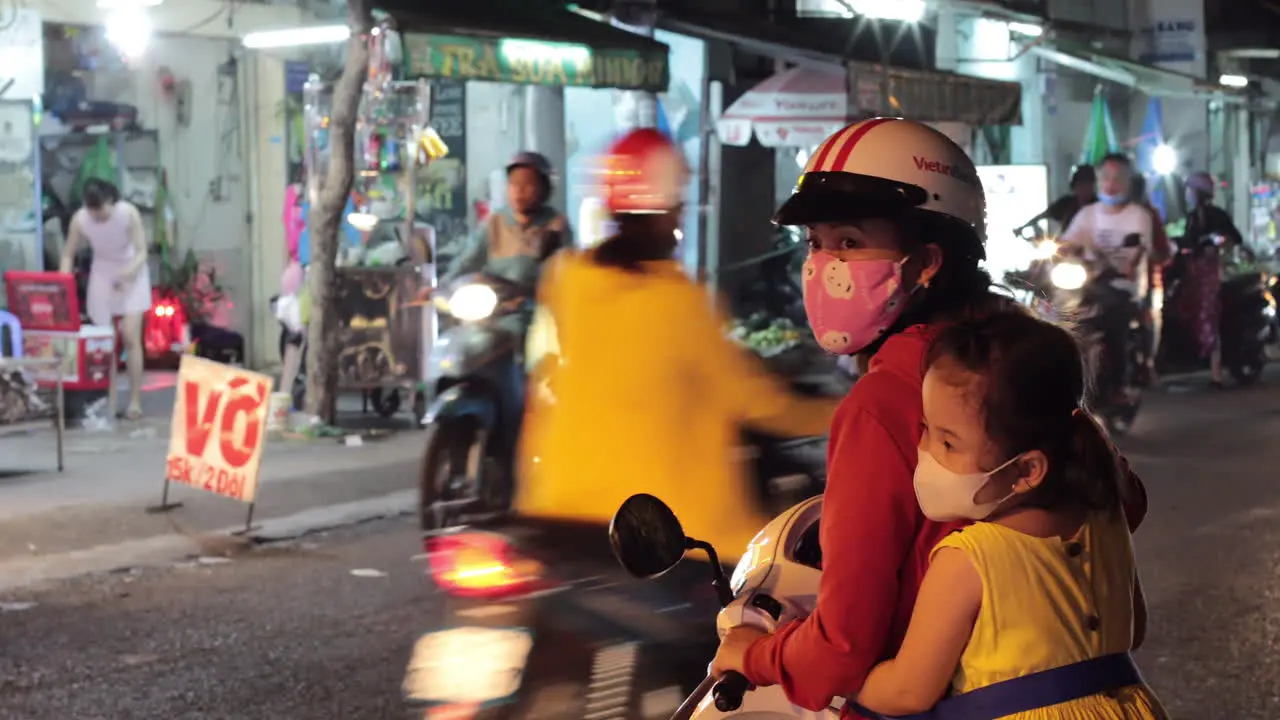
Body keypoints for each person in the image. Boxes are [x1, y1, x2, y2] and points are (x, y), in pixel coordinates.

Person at [708, 118, 1148, 715]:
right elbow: (1126, 502)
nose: (823, 264)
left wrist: (753, 654)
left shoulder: (883, 402)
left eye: (850, 241)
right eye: (816, 241)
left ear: (928, 260)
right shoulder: (1019, 357)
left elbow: (843, 648)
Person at [514, 128, 836, 557]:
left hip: (556, 507)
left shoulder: (565, 279)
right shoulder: (675, 301)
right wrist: (842, 413)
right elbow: (756, 403)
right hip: (668, 536)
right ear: (664, 208)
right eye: (678, 205)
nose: (680, 215)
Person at [854, 312, 1168, 719]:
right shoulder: (1106, 516)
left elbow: (909, 692)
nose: (926, 448)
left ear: (1025, 470)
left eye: (948, 443)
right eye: (927, 428)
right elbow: (1133, 629)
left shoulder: (968, 559)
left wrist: (840, 679)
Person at [1058, 153, 1153, 409]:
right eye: (1105, 177)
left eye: (1117, 178)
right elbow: (1068, 240)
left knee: (1114, 322)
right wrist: (1057, 249)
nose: (1110, 183)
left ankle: (1120, 385)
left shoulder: (1138, 216)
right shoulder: (1088, 214)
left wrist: (1128, 266)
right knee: (1055, 312)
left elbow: (1140, 247)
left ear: (1128, 181)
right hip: (1089, 282)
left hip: (1123, 287)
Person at [59, 178, 151, 420]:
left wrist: (130, 271)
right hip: (102, 271)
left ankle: (134, 401)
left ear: (111, 200)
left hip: (131, 269)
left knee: (130, 336)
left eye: (101, 209)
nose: (97, 215)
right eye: (92, 210)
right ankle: (108, 400)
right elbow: (68, 254)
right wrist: (62, 282)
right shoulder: (80, 219)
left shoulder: (127, 212)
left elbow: (142, 250)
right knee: (104, 342)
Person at [442, 151, 572, 293]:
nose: (519, 191)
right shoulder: (494, 222)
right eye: (514, 183)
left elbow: (563, 273)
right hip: (498, 305)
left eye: (528, 184)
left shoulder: (556, 225)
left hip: (537, 305)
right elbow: (468, 260)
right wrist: (443, 285)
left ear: (544, 189)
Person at [1180, 171, 1244, 387]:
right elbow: (1185, 243)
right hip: (1193, 273)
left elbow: (1235, 237)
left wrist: (1217, 242)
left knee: (1209, 315)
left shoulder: (1216, 215)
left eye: (1190, 190)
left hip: (1211, 273)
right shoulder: (1190, 218)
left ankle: (1216, 371)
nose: (1187, 194)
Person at [1129, 173, 1172, 383]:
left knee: (1150, 319)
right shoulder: (1111, 214)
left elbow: (1163, 251)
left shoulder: (1150, 215)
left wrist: (1151, 255)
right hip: (1118, 280)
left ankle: (1148, 362)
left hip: (1148, 281)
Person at [1016, 165, 1096, 236]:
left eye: (1088, 184)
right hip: (1068, 246)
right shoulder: (1065, 203)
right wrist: (1023, 227)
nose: (1085, 189)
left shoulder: (1099, 206)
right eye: (1081, 185)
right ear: (1074, 186)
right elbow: (1044, 215)